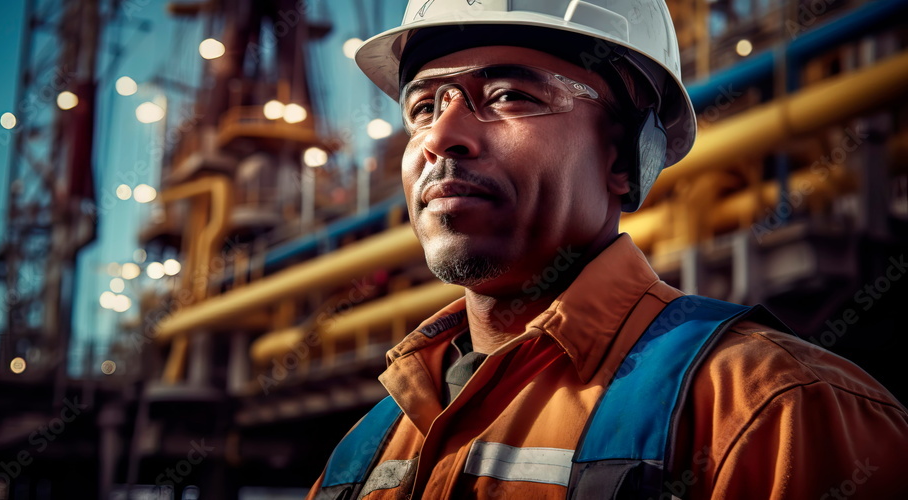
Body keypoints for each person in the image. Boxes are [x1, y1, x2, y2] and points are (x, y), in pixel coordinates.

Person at [306, 1, 908, 498]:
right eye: (422, 107)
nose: (440, 136)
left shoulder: (775, 412)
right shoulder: (365, 448)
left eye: (510, 95)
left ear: (621, 158)